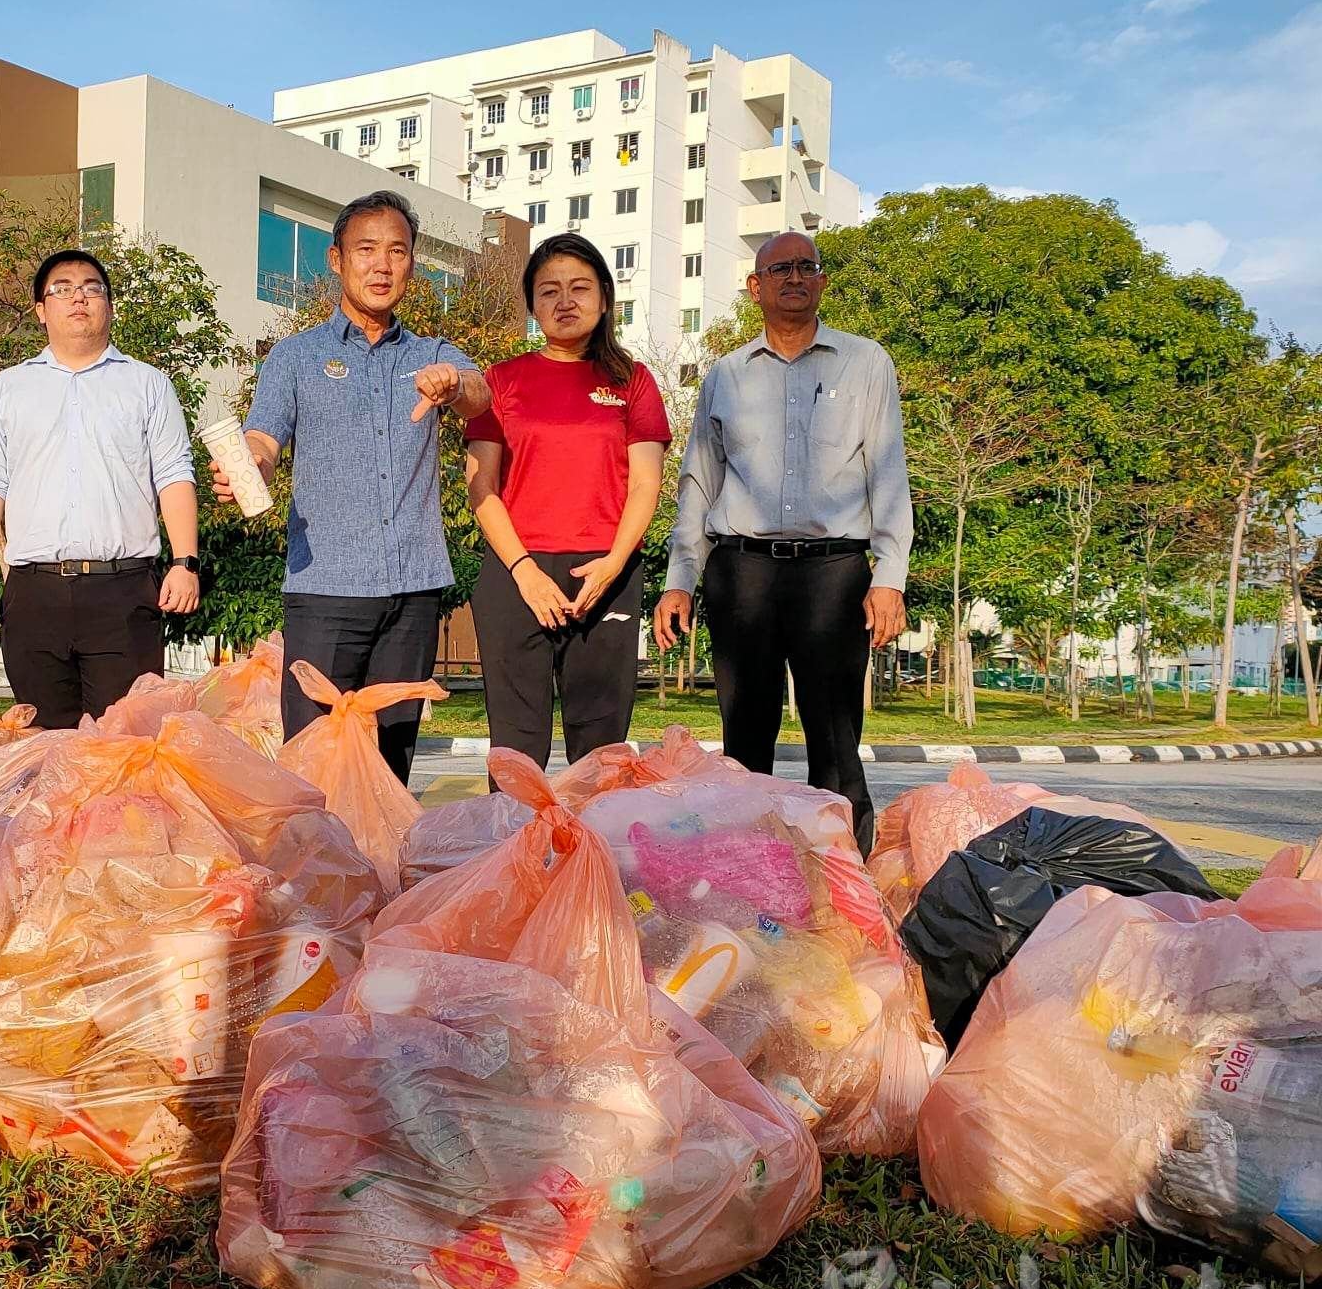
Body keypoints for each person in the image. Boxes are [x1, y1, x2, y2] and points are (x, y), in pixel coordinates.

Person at [212, 189, 490, 782]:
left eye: (398, 251)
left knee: (391, 765)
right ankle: (315, 876)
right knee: (315, 762)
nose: (382, 265)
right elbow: (263, 438)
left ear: (413, 264)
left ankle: (382, 874)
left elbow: (480, 394)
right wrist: (250, 468)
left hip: (412, 593)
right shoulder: (296, 356)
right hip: (325, 593)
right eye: (367, 250)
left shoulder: (431, 354)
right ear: (337, 260)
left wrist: (453, 386)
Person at [653, 231, 910, 853]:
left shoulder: (866, 362)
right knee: (745, 737)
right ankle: (747, 871)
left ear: (821, 281)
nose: (794, 277)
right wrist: (679, 580)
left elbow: (888, 470)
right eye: (779, 268)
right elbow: (698, 480)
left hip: (834, 574)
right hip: (743, 574)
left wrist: (889, 575)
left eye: (806, 266)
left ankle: (851, 881)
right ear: (756, 287)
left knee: (836, 740)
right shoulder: (726, 376)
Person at [0, 249, 201, 728]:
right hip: (34, 594)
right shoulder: (9, 389)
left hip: (123, 593)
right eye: (62, 289)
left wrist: (185, 563)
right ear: (40, 310)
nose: (78, 298)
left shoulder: (148, 385)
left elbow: (174, 474)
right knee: (44, 750)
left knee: (126, 747)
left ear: (109, 306)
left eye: (92, 288)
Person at [464, 232, 669, 769]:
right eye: (548, 290)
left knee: (600, 753)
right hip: (516, 574)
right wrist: (525, 572)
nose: (565, 301)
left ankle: (594, 855)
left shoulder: (633, 381)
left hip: (606, 573)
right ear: (532, 303)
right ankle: (515, 853)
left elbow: (646, 483)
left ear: (604, 298)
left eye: (580, 287)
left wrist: (613, 567)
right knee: (515, 747)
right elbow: (481, 487)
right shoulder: (501, 380)